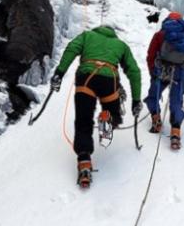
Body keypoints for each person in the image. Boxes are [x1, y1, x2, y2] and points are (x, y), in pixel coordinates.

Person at [50, 25, 142, 188]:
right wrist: (136, 99)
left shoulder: (87, 36)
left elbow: (72, 48)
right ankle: (107, 121)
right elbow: (134, 71)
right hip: (109, 81)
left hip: (86, 78)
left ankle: (84, 161)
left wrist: (59, 73)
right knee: (113, 113)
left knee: (83, 120)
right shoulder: (121, 45)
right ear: (113, 34)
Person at [144, 12, 184, 150]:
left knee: (153, 95)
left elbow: (151, 54)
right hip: (180, 72)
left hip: (161, 69)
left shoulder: (161, 34)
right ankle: (175, 132)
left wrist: (152, 72)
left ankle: (156, 120)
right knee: (176, 100)